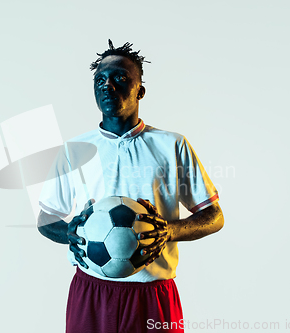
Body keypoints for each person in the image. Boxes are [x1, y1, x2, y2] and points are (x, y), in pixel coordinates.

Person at [37, 40, 224, 333]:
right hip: (92, 291)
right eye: (100, 80)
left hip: (152, 293)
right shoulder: (75, 149)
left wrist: (170, 230)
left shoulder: (172, 145)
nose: (107, 85)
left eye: (120, 78)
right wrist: (70, 231)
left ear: (140, 90)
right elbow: (46, 219)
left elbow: (214, 216)